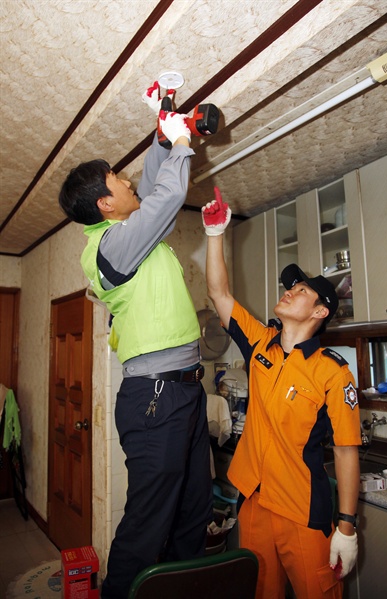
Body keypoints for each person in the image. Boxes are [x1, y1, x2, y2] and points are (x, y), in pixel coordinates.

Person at [59, 82, 213, 599]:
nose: (128, 183)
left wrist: (162, 138)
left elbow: (150, 188)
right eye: (117, 181)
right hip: (156, 399)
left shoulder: (125, 231)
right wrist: (183, 144)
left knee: (192, 514)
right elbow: (165, 198)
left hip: (185, 390)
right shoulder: (110, 248)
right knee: (147, 528)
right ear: (105, 205)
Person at [202, 188, 361, 599]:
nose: (290, 290)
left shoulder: (332, 372)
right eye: (291, 286)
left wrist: (345, 526)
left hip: (301, 512)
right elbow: (220, 294)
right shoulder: (261, 344)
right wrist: (215, 232)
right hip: (253, 501)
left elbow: (345, 450)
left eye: (302, 290)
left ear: (320, 311)